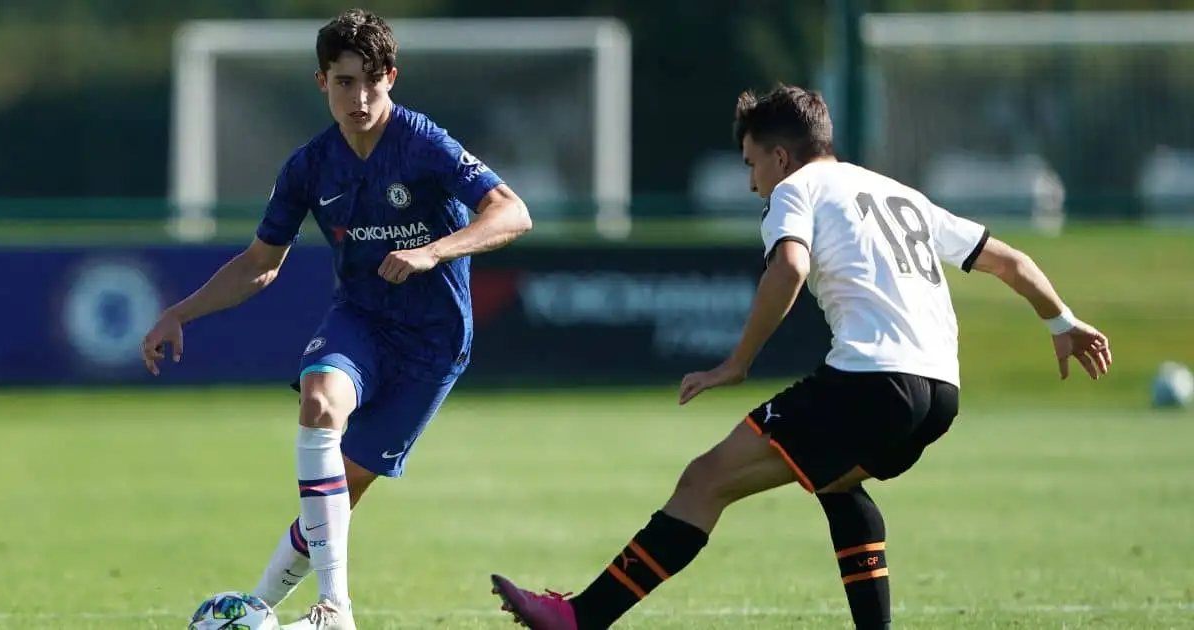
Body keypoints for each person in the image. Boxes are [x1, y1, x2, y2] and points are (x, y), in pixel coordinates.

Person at [489, 84, 1110, 630]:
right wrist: (1062, 320)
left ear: (780, 155)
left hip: (871, 379)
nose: (752, 180)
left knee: (704, 481)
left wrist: (736, 363)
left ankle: (579, 619)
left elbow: (789, 265)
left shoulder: (796, 190)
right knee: (836, 483)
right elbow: (1012, 261)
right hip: (939, 392)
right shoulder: (898, 193)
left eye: (751, 163)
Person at [141, 9, 532, 630]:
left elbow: (513, 213)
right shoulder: (308, 167)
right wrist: (180, 312)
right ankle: (336, 610)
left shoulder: (423, 142)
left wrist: (434, 250)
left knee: (338, 500)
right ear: (321, 82)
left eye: (371, 81)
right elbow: (260, 265)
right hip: (361, 323)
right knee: (320, 401)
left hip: (433, 341)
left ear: (391, 78)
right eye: (345, 82)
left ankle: (261, 607)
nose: (360, 97)